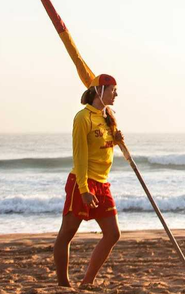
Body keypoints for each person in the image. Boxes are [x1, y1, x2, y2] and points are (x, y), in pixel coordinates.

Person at [54, 74, 124, 287]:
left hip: (102, 183)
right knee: (67, 233)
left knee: (112, 234)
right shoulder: (82, 117)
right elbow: (80, 155)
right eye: (112, 89)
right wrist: (84, 189)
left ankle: (87, 282)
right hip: (82, 182)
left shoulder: (108, 116)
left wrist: (116, 140)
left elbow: (104, 147)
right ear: (100, 91)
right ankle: (63, 284)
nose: (116, 94)